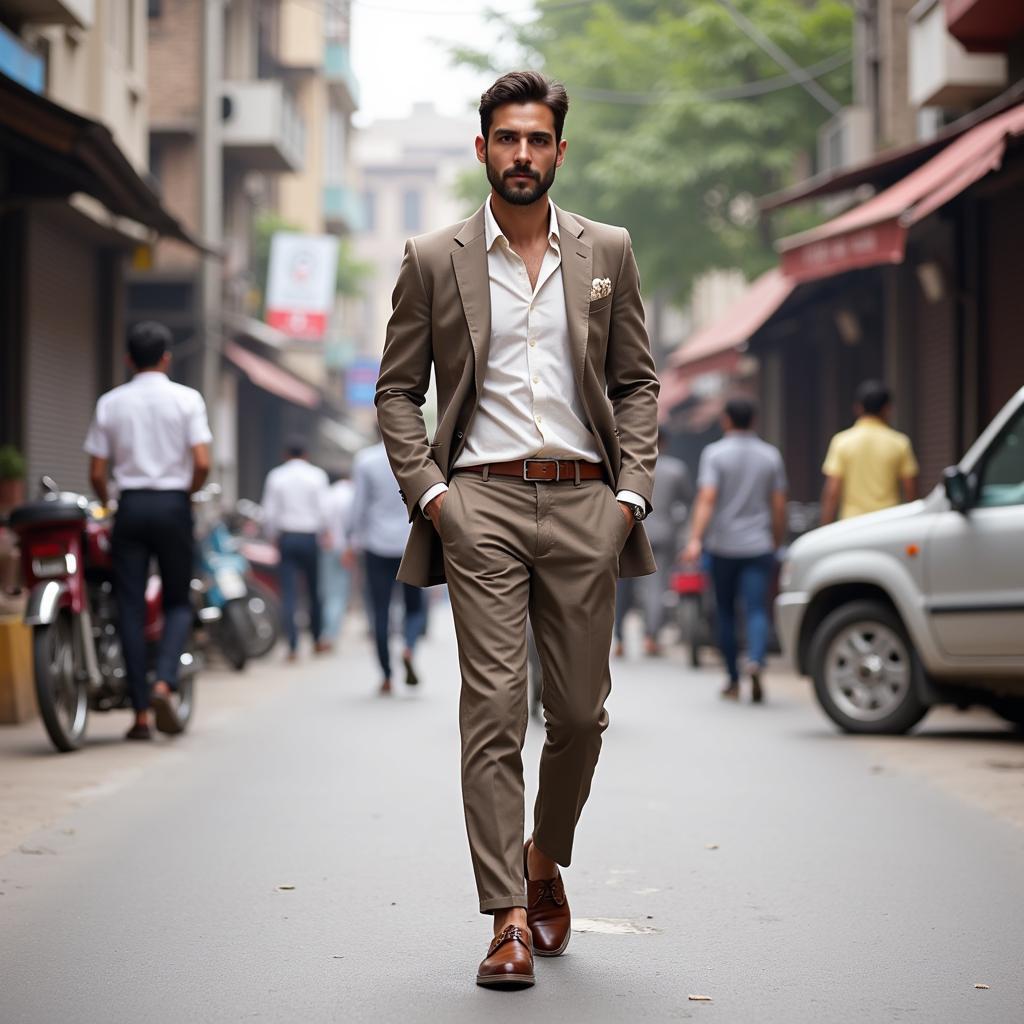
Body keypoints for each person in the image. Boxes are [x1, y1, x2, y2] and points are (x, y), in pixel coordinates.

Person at [375, 71, 659, 989]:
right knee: (493, 711)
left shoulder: (606, 249)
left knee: (578, 714)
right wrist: (432, 496)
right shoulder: (432, 257)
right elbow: (396, 390)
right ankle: (504, 918)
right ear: (482, 147)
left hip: (587, 505)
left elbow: (637, 384)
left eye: (538, 140)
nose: (522, 155)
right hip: (481, 506)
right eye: (507, 139)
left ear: (560, 151)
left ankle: (545, 858)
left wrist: (631, 500)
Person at [84, 321, 211, 741]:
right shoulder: (187, 399)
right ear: (167, 357)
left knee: (129, 608)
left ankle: (139, 714)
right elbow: (203, 461)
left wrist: (112, 499)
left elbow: (97, 471)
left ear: (127, 360)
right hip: (173, 504)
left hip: (131, 507)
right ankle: (164, 682)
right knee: (177, 601)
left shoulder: (111, 402)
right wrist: (186, 493)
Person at [684, 397, 786, 703]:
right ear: (754, 420)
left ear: (726, 420)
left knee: (725, 612)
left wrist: (695, 539)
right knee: (756, 608)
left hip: (723, 546)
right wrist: (776, 540)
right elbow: (779, 503)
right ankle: (755, 659)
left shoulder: (714, 454)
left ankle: (732, 679)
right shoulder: (771, 455)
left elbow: (707, 498)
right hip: (758, 545)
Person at [345, 440, 425, 695]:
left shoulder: (366, 460)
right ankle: (409, 647)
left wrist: (350, 538)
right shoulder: (417, 455)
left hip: (376, 545)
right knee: (414, 607)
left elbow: (358, 505)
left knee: (380, 611)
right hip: (410, 543)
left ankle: (387, 675)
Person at [614, 429, 692, 657]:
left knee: (622, 587)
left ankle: (619, 639)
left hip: (628, 531)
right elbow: (687, 503)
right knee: (656, 587)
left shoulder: (627, 467)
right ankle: (651, 636)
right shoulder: (676, 470)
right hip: (663, 535)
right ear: (665, 443)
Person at [261, 437, 331, 660]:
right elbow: (324, 509)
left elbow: (269, 512)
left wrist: (272, 537)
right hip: (310, 537)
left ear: (285, 454)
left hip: (287, 537)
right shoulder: (317, 475)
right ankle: (317, 639)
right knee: (313, 591)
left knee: (289, 593)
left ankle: (292, 645)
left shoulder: (277, 476)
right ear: (306, 454)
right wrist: (327, 532)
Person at [820, 380, 919, 524]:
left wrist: (824, 528)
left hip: (851, 525)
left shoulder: (841, 441)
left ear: (858, 408)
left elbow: (832, 491)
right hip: (888, 524)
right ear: (887, 409)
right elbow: (911, 490)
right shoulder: (900, 443)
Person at [320, 471, 355, 645]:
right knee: (339, 592)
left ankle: (326, 631)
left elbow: (323, 519)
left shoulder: (329, 493)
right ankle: (332, 633)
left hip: (328, 546)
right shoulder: (352, 494)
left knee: (328, 591)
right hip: (345, 548)